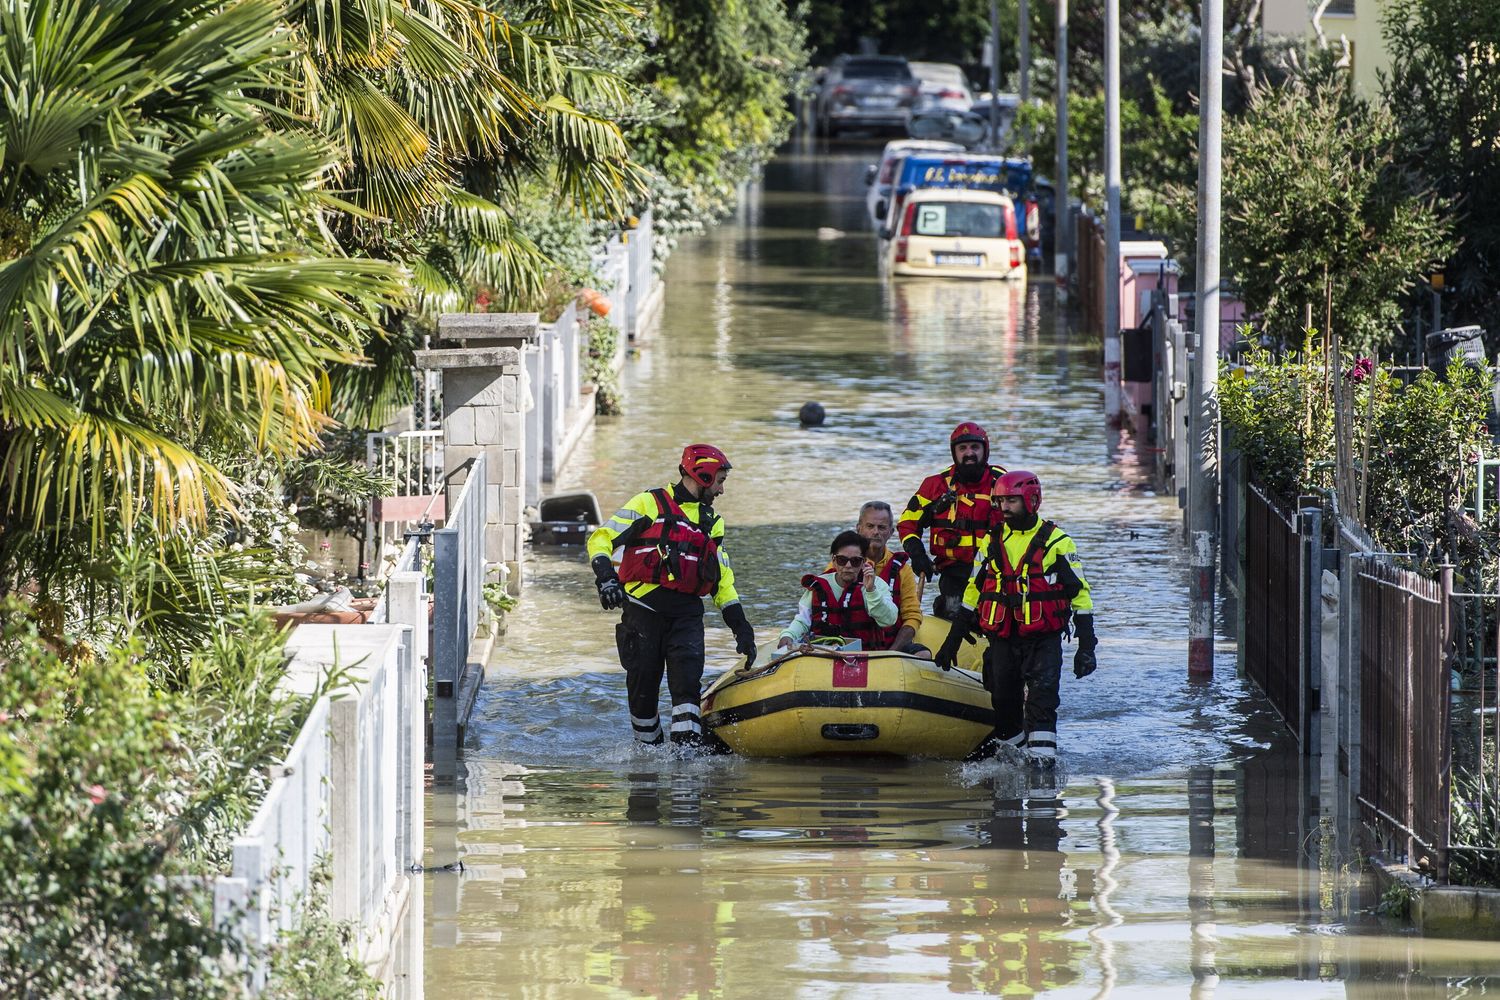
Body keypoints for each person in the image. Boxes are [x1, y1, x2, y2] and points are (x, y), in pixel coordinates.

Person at [588, 444, 757, 748]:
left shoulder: (713, 523)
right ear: (702, 475)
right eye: (719, 481)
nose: (721, 490)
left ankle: (686, 782)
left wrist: (740, 627)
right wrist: (606, 579)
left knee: (686, 695)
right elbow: (601, 539)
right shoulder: (647, 504)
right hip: (642, 614)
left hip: (687, 618)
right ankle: (646, 771)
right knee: (642, 701)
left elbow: (722, 581)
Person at [936, 470, 1097, 766]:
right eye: (1000, 501)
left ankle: (1042, 786)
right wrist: (952, 641)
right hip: (1003, 638)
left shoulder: (1058, 542)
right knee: (1004, 703)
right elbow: (974, 591)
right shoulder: (992, 541)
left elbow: (1080, 595)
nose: (1004, 508)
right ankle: (1009, 789)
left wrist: (1087, 647)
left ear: (1032, 500)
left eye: (1011, 501)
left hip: (1042, 640)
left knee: (1042, 701)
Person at [897, 422, 1007, 619]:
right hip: (954, 573)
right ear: (954, 453)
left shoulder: (1003, 483)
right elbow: (908, 523)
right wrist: (917, 555)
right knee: (952, 615)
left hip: (996, 574)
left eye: (975, 447)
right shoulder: (935, 485)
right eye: (962, 448)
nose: (969, 453)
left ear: (985, 450)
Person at [778, 530, 900, 651]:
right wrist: (788, 635)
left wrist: (871, 591)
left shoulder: (876, 585)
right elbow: (802, 621)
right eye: (842, 560)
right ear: (834, 561)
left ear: (864, 562)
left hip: (865, 657)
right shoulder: (818, 585)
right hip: (822, 655)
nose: (848, 566)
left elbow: (889, 620)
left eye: (855, 561)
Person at [843, 500, 927, 655]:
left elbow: (912, 617)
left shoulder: (903, 570)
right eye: (870, 526)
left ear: (891, 532)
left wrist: (892, 653)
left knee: (924, 654)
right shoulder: (843, 564)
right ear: (858, 529)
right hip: (851, 647)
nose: (876, 532)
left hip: (892, 648)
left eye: (881, 527)